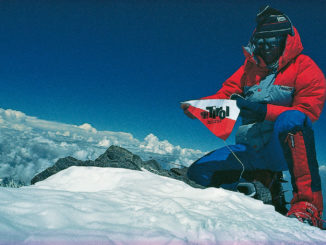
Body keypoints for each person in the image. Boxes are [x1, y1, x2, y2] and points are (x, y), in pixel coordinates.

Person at [181, 6, 326, 228]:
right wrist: (199, 107)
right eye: (261, 41)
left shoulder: (304, 67)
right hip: (250, 149)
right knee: (198, 172)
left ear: (286, 40)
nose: (266, 47)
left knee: (294, 120)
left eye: (273, 41)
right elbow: (225, 96)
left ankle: (307, 207)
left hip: (280, 150)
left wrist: (262, 111)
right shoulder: (249, 68)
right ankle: (253, 187)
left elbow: (308, 112)